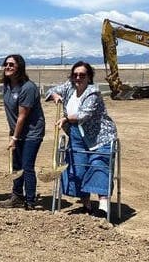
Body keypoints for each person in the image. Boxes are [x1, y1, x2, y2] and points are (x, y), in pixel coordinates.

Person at [46, 61, 118, 217]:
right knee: (77, 168)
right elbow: (51, 90)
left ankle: (103, 207)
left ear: (89, 77)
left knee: (99, 165)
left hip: (100, 136)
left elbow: (84, 114)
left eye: (82, 75)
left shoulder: (93, 92)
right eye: (75, 74)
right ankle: (86, 205)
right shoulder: (69, 87)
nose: (78, 77)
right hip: (76, 135)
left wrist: (65, 118)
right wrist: (55, 95)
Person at [0, 54, 45, 209]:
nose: (8, 67)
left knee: (27, 166)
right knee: (16, 165)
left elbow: (22, 116)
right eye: (6, 64)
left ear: (19, 67)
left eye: (12, 64)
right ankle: (17, 196)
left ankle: (30, 201)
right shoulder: (7, 86)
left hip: (31, 132)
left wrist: (15, 137)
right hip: (17, 132)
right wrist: (12, 133)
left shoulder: (28, 88)